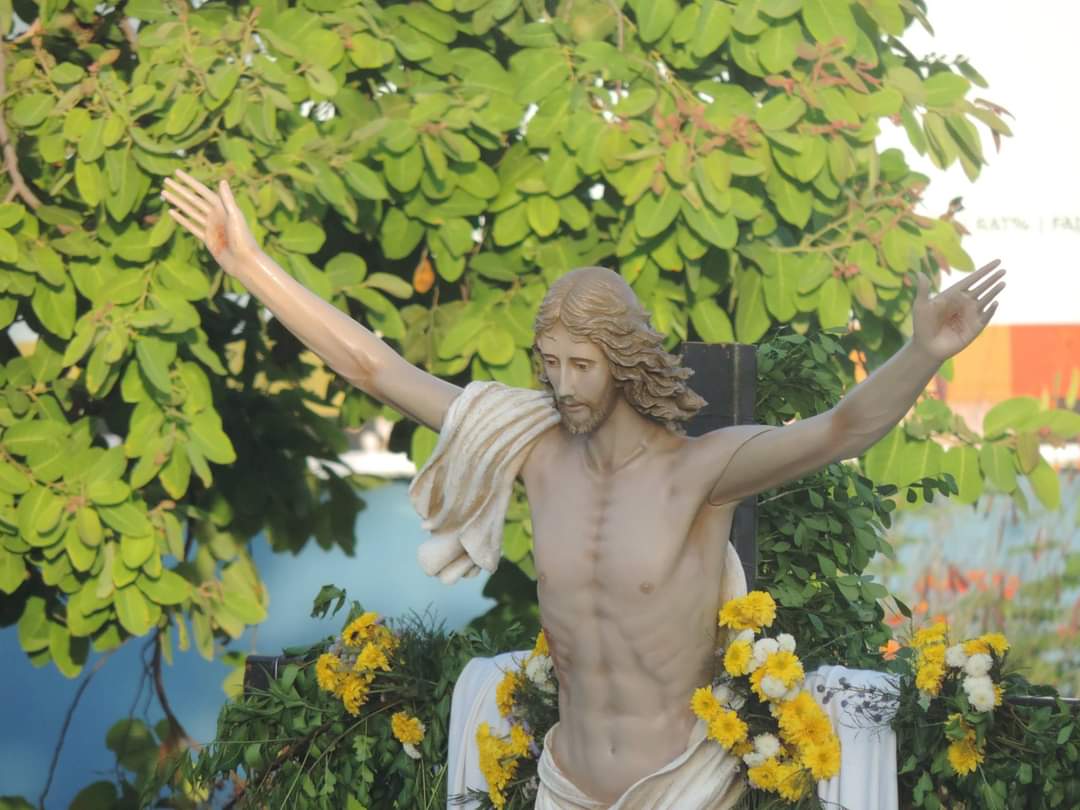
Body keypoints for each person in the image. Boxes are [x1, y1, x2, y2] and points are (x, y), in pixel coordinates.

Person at [163, 169, 1005, 807]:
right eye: (550, 365)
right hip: (561, 782)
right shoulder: (531, 449)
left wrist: (922, 354)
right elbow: (373, 366)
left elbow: (841, 429)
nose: (562, 385)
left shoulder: (700, 472)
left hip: (683, 786)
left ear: (624, 361)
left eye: (581, 365)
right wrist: (248, 261)